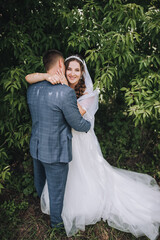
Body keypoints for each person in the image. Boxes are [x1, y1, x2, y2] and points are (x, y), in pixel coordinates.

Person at [26, 54, 160, 240]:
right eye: (69, 68)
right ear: (62, 68)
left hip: (79, 141)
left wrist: (63, 87)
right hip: (60, 141)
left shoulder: (88, 95)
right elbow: (30, 78)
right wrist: (47, 77)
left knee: (82, 174)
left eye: (76, 70)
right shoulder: (56, 86)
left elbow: (74, 119)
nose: (72, 73)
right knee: (62, 176)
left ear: (82, 74)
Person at [26, 50, 91, 231]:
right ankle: (56, 225)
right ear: (62, 65)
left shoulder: (32, 88)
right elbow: (77, 123)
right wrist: (88, 127)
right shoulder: (64, 92)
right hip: (56, 151)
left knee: (41, 183)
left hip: (37, 147)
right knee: (57, 190)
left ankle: (43, 209)